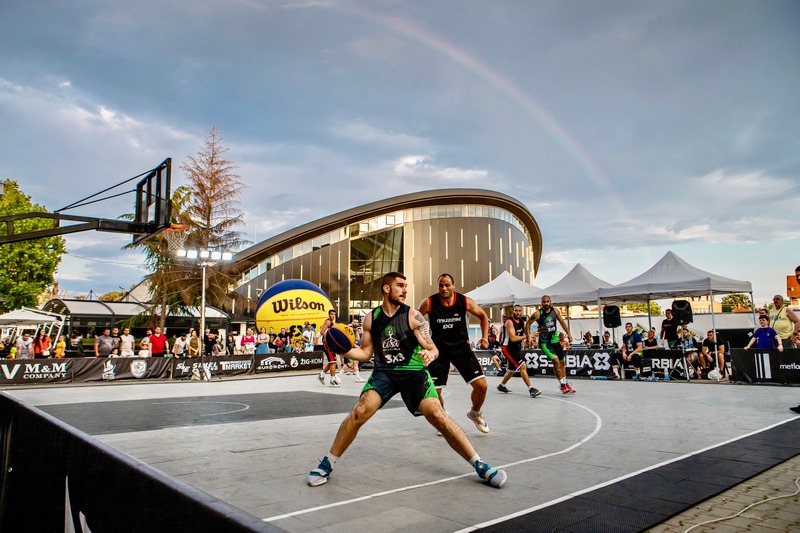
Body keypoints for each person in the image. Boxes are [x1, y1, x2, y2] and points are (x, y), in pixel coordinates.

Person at [307, 272, 506, 489]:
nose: (405, 290)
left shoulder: (413, 316)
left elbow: (432, 347)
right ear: (386, 288)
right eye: (400, 286)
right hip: (385, 373)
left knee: (438, 414)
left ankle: (480, 464)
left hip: (414, 372)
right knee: (360, 411)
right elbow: (365, 353)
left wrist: (431, 354)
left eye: (406, 286)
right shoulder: (371, 318)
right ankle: (328, 462)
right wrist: (344, 349)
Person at [417, 273, 492, 434]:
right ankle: (443, 417)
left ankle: (475, 413)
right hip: (438, 351)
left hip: (461, 349)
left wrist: (485, 337)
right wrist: (422, 344)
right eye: (441, 285)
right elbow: (414, 321)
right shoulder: (429, 302)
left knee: (482, 386)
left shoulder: (464, 301)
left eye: (447, 285)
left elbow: (483, 317)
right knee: (434, 393)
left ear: (453, 285)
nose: (444, 288)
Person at [526, 295, 575, 394]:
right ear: (541, 303)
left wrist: (569, 334)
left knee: (562, 362)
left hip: (555, 341)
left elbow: (562, 323)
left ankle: (566, 384)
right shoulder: (537, 314)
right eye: (544, 302)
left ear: (550, 302)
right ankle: (562, 385)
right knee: (555, 360)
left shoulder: (555, 311)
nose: (546, 303)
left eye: (547, 301)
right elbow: (527, 324)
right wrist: (529, 337)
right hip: (545, 342)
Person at [497, 305, 541, 397]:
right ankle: (531, 389)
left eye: (519, 311)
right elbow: (513, 338)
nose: (518, 312)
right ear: (513, 311)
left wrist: (532, 336)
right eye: (516, 310)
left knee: (512, 370)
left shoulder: (521, 322)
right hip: (507, 348)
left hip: (516, 348)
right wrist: (528, 336)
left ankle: (502, 385)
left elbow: (525, 333)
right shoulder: (509, 322)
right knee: (522, 365)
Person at [318, 310, 341, 387]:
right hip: (327, 345)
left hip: (330, 344)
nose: (333, 316)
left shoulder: (332, 322)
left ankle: (321, 375)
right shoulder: (328, 322)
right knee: (333, 362)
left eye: (334, 314)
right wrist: (327, 339)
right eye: (332, 314)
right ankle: (332, 379)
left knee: (332, 362)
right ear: (329, 315)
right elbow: (322, 332)